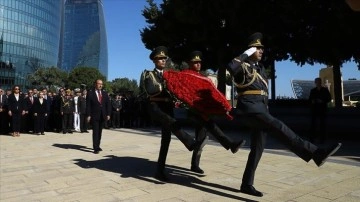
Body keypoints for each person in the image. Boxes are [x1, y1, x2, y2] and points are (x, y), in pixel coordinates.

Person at [227, 32, 341, 197]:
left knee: (257, 149)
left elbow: (263, 93)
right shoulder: (242, 66)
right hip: (250, 109)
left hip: (261, 110)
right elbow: (231, 67)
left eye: (261, 48)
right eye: (257, 48)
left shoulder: (260, 70)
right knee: (279, 126)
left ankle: (246, 184)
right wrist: (246, 53)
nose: (260, 51)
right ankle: (315, 153)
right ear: (250, 49)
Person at [140, 46, 199, 182]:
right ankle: (190, 143)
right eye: (160, 58)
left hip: (167, 106)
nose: (163, 60)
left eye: (164, 58)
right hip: (155, 106)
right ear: (154, 61)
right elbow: (151, 89)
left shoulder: (169, 75)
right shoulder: (149, 74)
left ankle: (159, 171)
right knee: (172, 122)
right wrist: (168, 85)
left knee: (166, 140)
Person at [184, 51, 245, 174]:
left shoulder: (203, 78)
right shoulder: (186, 75)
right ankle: (230, 144)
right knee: (211, 126)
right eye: (195, 62)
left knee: (201, 139)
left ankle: (195, 165)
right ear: (190, 63)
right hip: (194, 112)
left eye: (199, 62)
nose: (198, 64)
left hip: (203, 112)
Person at [86, 79, 111, 154]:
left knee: (100, 131)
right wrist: (88, 115)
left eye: (101, 84)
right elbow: (88, 105)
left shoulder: (104, 93)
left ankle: (98, 145)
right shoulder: (90, 93)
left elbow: (108, 104)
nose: (100, 85)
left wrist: (108, 114)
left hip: (102, 115)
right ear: (95, 84)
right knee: (95, 131)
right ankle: (95, 147)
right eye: (99, 84)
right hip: (94, 115)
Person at [308, 77, 331, 143]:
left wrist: (322, 101)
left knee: (322, 124)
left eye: (318, 81)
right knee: (313, 124)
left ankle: (322, 139)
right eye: (316, 82)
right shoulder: (313, 90)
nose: (317, 83)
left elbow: (329, 98)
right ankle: (312, 138)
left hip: (322, 109)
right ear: (315, 83)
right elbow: (310, 99)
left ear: (320, 82)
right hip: (314, 109)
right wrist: (312, 101)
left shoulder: (325, 90)